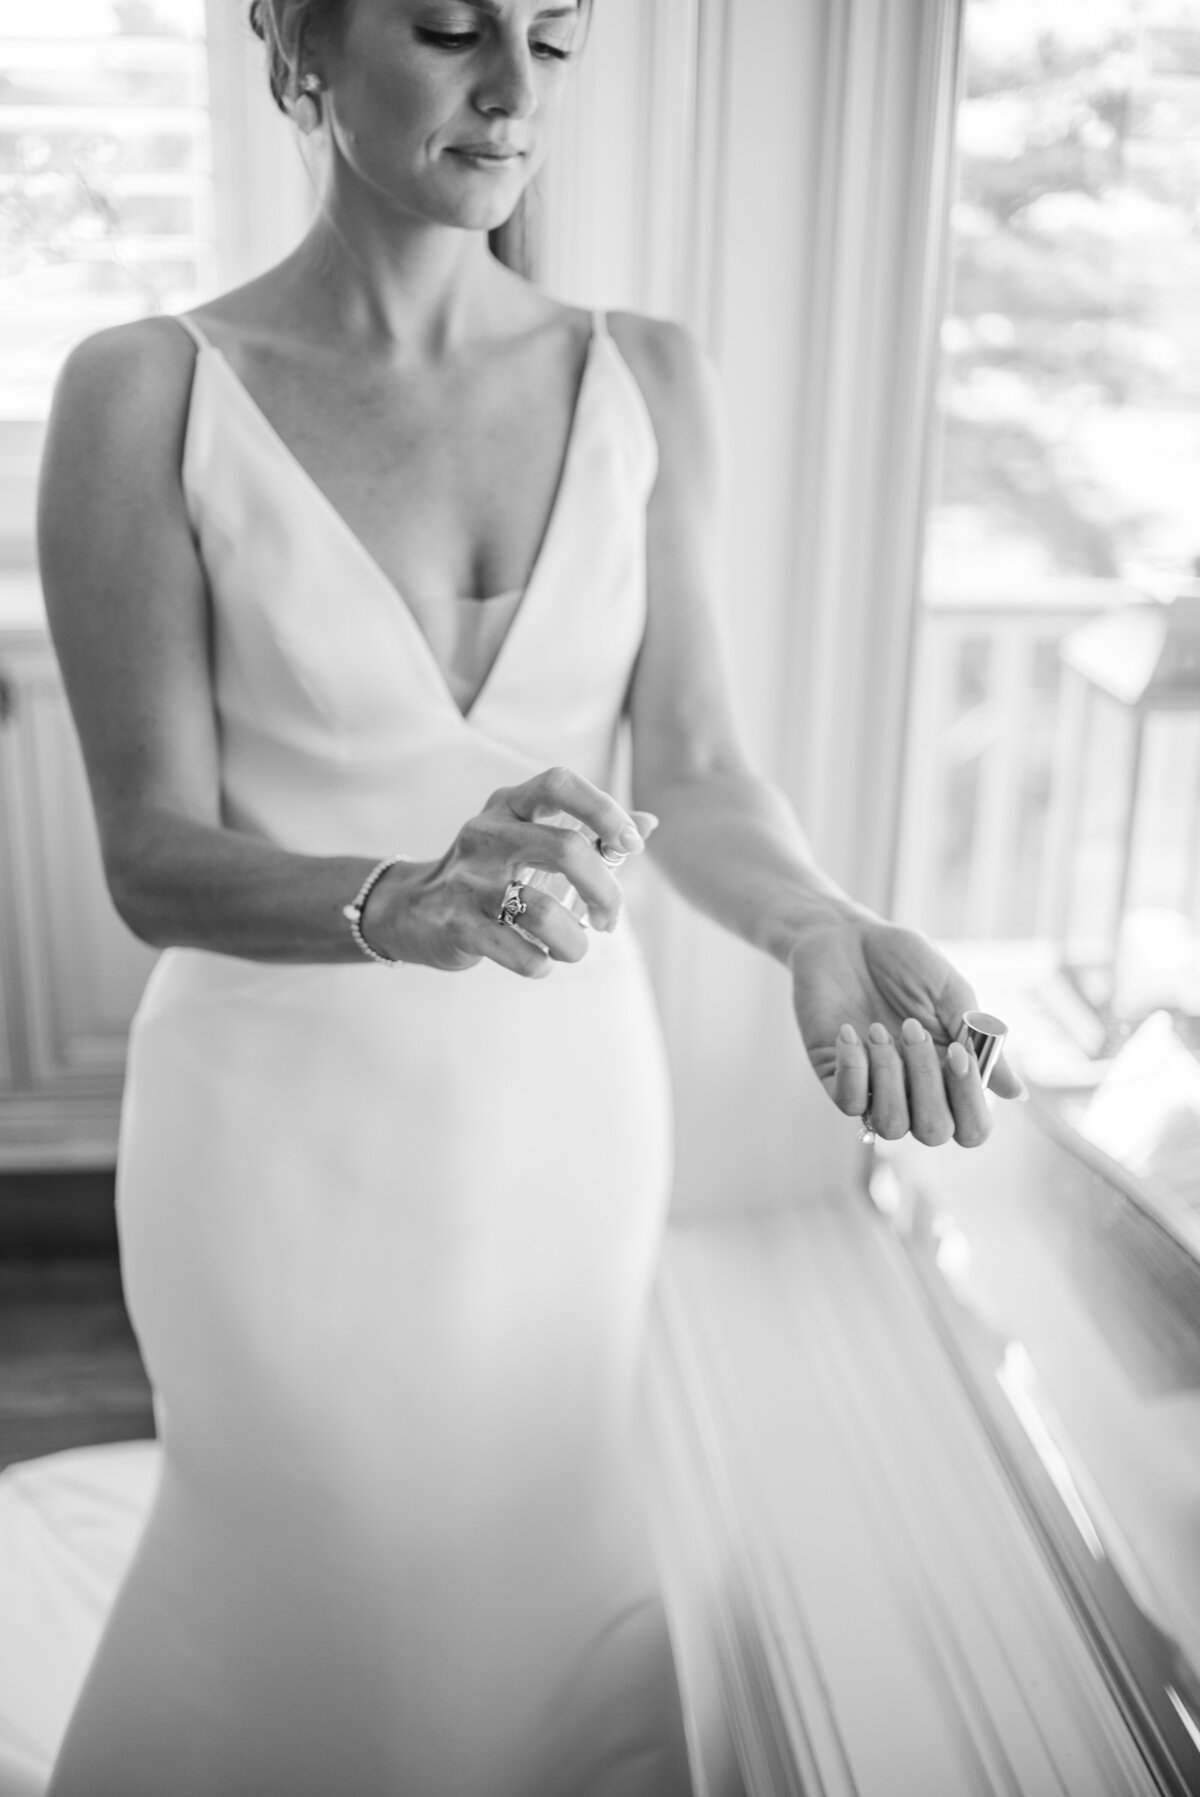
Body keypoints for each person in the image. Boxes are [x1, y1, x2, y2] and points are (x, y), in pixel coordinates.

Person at [35, 2, 1020, 1792]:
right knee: (312, 1563)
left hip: (561, 1120)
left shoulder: (650, 376)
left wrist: (814, 922)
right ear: (302, 52)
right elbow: (150, 852)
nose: (512, 86)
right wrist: (395, 896)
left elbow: (700, 769)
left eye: (555, 40)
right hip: (276, 1132)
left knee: (526, 1537)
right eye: (446, 26)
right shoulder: (146, 387)